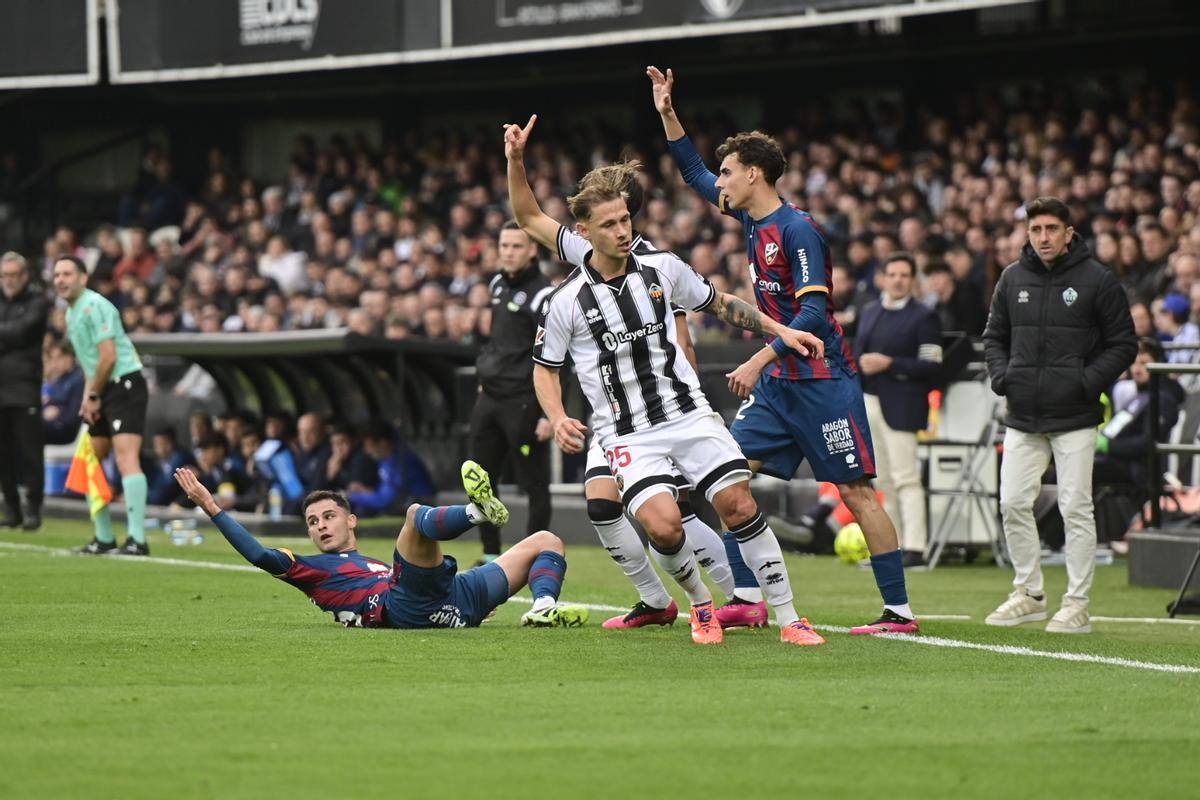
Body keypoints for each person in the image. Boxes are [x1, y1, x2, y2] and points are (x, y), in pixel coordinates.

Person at [506, 115, 827, 647]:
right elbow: (545, 365)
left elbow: (720, 303)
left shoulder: (660, 265)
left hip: (687, 411)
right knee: (658, 524)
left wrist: (780, 330)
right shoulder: (567, 297)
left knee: (740, 506)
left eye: (626, 219)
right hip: (625, 431)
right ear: (583, 233)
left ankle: (789, 616)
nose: (623, 230)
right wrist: (559, 416)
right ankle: (697, 605)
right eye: (609, 224)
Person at [650, 66, 918, 634]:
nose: (717, 182)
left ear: (753, 174)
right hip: (779, 389)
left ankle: (899, 612)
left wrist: (759, 356)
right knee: (727, 475)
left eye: (728, 173)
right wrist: (668, 113)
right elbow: (694, 172)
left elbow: (815, 315)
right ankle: (747, 597)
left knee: (856, 491)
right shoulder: (748, 213)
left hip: (822, 381)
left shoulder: (798, 231)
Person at [570, 161, 741, 630]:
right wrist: (515, 162)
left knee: (673, 514)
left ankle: (736, 594)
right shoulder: (587, 250)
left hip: (662, 406)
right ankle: (658, 599)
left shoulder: (651, 262)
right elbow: (529, 217)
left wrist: (686, 394)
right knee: (604, 504)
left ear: (625, 211)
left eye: (617, 214)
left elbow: (682, 332)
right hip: (615, 415)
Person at [172, 460, 589, 629]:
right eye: (313, 522)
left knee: (546, 540)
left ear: (351, 520)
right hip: (406, 605)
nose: (320, 526)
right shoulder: (314, 571)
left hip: (454, 595)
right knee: (413, 516)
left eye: (329, 516)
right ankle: (477, 514)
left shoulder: (367, 562)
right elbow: (261, 555)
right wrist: (210, 505)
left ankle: (542, 608)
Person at [983, 196, 1136, 634]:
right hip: (1023, 412)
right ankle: (1029, 593)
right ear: (1027, 234)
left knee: (1075, 508)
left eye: (1052, 229)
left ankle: (1077, 604)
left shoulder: (1097, 280)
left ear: (1069, 233)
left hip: (1076, 414)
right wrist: (1003, 377)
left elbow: (1124, 343)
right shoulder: (1012, 278)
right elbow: (994, 336)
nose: (1043, 237)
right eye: (1036, 230)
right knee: (1012, 503)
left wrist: (1085, 382)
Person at [467, 221, 554, 563]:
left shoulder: (544, 294)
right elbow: (499, 340)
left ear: (532, 250)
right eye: (504, 246)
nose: (508, 252)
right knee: (478, 480)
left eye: (516, 246)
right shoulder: (497, 284)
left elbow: (557, 353)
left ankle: (534, 557)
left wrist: (550, 412)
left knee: (533, 484)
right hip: (489, 397)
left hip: (524, 401)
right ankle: (491, 555)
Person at [53, 255, 152, 555]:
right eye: (56, 274)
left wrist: (94, 394)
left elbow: (108, 356)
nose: (60, 279)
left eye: (67, 273)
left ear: (83, 277)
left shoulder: (96, 305)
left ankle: (137, 539)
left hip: (125, 383)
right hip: (102, 388)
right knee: (90, 459)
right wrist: (89, 396)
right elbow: (90, 363)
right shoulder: (71, 314)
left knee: (126, 458)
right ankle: (104, 537)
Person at [855, 252, 943, 566]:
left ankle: (916, 547)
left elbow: (932, 364)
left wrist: (889, 363)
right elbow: (858, 352)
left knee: (906, 478)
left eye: (904, 275)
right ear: (883, 278)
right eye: (892, 274)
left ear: (912, 279)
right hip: (870, 401)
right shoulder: (870, 311)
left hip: (903, 404)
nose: (898, 280)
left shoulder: (923, 316)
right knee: (884, 481)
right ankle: (891, 548)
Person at [0, 251, 49, 530]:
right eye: (4, 275)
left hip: (25, 388)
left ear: (25, 276)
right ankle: (11, 509)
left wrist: (9, 336)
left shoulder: (36, 302)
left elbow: (24, 331)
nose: (8, 280)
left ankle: (33, 509)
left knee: (30, 453)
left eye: (13, 275)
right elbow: (15, 333)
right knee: (3, 454)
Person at [347, 420, 436, 517]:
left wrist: (351, 496)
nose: (367, 451)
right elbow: (384, 491)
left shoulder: (401, 461)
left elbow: (384, 500)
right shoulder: (385, 461)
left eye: (370, 445)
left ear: (383, 443)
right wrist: (365, 491)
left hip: (419, 509)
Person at [41, 338, 85, 446]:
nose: (55, 363)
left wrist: (59, 411)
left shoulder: (78, 379)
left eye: (59, 358)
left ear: (69, 356)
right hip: (50, 424)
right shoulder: (58, 380)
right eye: (52, 359)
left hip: (65, 430)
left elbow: (73, 417)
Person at [147, 426, 194, 506]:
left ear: (172, 443)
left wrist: (146, 498)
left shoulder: (181, 457)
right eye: (157, 445)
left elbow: (167, 487)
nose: (161, 448)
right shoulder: (159, 462)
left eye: (164, 443)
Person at [294, 412, 331, 494]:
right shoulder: (300, 455)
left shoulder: (327, 454)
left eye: (311, 432)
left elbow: (316, 490)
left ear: (321, 432)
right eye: (302, 432)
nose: (305, 437)